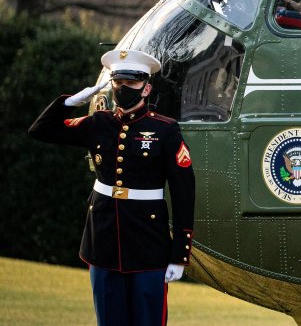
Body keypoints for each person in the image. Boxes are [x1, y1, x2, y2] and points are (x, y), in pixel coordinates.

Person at [28, 48, 195, 326]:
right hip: (102, 241)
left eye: (131, 83)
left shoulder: (165, 130)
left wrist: (180, 255)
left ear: (146, 88)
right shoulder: (98, 123)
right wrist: (70, 102)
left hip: (148, 244)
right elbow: (40, 130)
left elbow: (184, 194)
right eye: (118, 82)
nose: (123, 89)